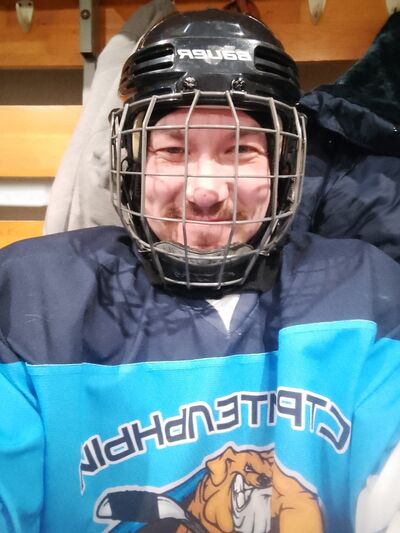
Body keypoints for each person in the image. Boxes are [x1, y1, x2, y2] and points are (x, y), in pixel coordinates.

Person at [1, 9, 400, 533]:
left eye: (241, 150)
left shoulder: (368, 291)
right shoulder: (32, 297)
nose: (205, 191)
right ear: (133, 162)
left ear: (282, 165)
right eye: (172, 149)